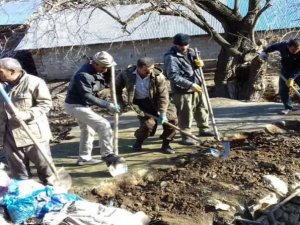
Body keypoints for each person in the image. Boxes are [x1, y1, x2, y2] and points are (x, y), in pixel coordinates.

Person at [64, 51, 125, 166]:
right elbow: (87, 95)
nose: (105, 70)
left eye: (107, 67)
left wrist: (110, 72)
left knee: (88, 130)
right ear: (95, 64)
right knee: (103, 125)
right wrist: (107, 105)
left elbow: (105, 81)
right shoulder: (83, 75)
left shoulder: (99, 70)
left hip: (83, 105)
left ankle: (84, 158)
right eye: (103, 67)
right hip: (75, 106)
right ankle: (107, 155)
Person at [0, 57, 54, 185]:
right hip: (9, 135)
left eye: (0, 71)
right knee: (19, 174)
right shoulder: (1, 86)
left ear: (12, 71)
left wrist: (25, 114)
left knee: (45, 168)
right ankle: (26, 195)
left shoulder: (35, 82)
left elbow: (45, 105)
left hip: (33, 133)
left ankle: (54, 192)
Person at [116, 57, 177, 154]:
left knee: (172, 120)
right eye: (146, 70)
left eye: (152, 69)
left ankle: (166, 144)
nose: (150, 72)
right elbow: (116, 88)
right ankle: (138, 142)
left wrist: (163, 113)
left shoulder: (158, 76)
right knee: (149, 125)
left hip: (158, 101)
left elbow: (163, 96)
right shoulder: (127, 74)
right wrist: (119, 102)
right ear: (139, 68)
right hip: (141, 103)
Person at [164, 33, 214, 145]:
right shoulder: (171, 57)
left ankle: (204, 129)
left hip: (198, 86)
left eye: (186, 44)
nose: (184, 47)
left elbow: (195, 68)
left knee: (202, 108)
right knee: (185, 114)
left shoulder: (192, 52)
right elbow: (172, 76)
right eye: (181, 45)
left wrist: (200, 64)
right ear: (175, 44)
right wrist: (190, 85)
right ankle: (186, 135)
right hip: (183, 91)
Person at [259, 38, 300, 115]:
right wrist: (265, 52)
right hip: (286, 69)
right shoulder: (283, 46)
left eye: (298, 49)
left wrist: (292, 78)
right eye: (293, 50)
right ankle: (288, 107)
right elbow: (274, 47)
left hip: (298, 71)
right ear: (288, 46)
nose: (296, 51)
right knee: (283, 89)